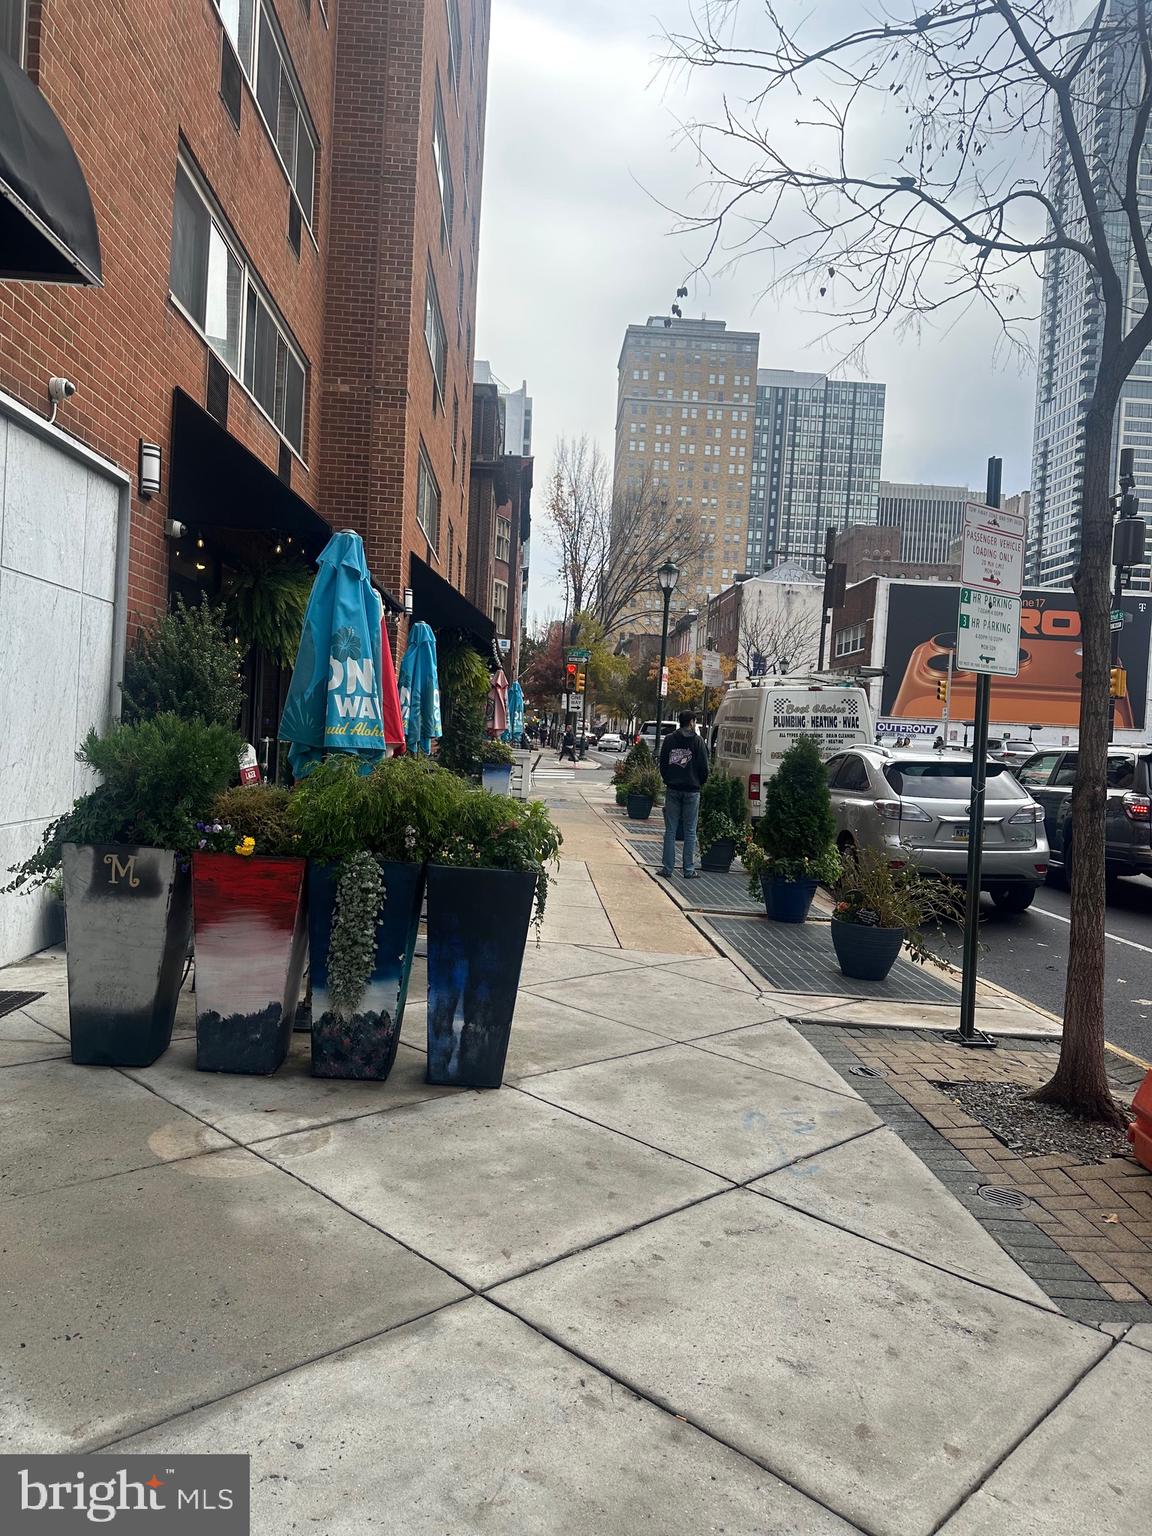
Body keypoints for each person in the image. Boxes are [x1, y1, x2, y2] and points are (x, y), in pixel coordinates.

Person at [658, 709, 709, 879]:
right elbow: (704, 767)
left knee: (671, 829)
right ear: (692, 722)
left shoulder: (670, 739)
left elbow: (663, 763)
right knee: (690, 830)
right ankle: (688, 869)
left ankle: (667, 868)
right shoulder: (698, 741)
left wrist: (669, 778)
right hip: (692, 790)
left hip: (673, 788)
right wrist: (698, 782)